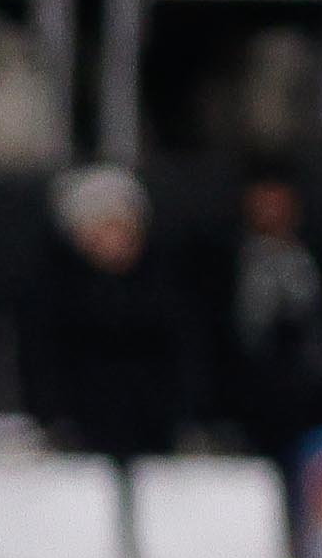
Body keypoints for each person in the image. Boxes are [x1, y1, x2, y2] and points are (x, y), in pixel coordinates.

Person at [23, 165, 195, 461]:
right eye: (103, 227)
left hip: (154, 437)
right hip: (82, 441)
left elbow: (185, 361)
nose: (115, 239)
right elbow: (42, 368)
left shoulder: (165, 292)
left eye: (123, 227)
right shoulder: (55, 296)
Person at [213, 162, 322, 469]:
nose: (272, 207)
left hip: (319, 412)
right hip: (244, 411)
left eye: (279, 197)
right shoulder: (220, 262)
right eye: (263, 197)